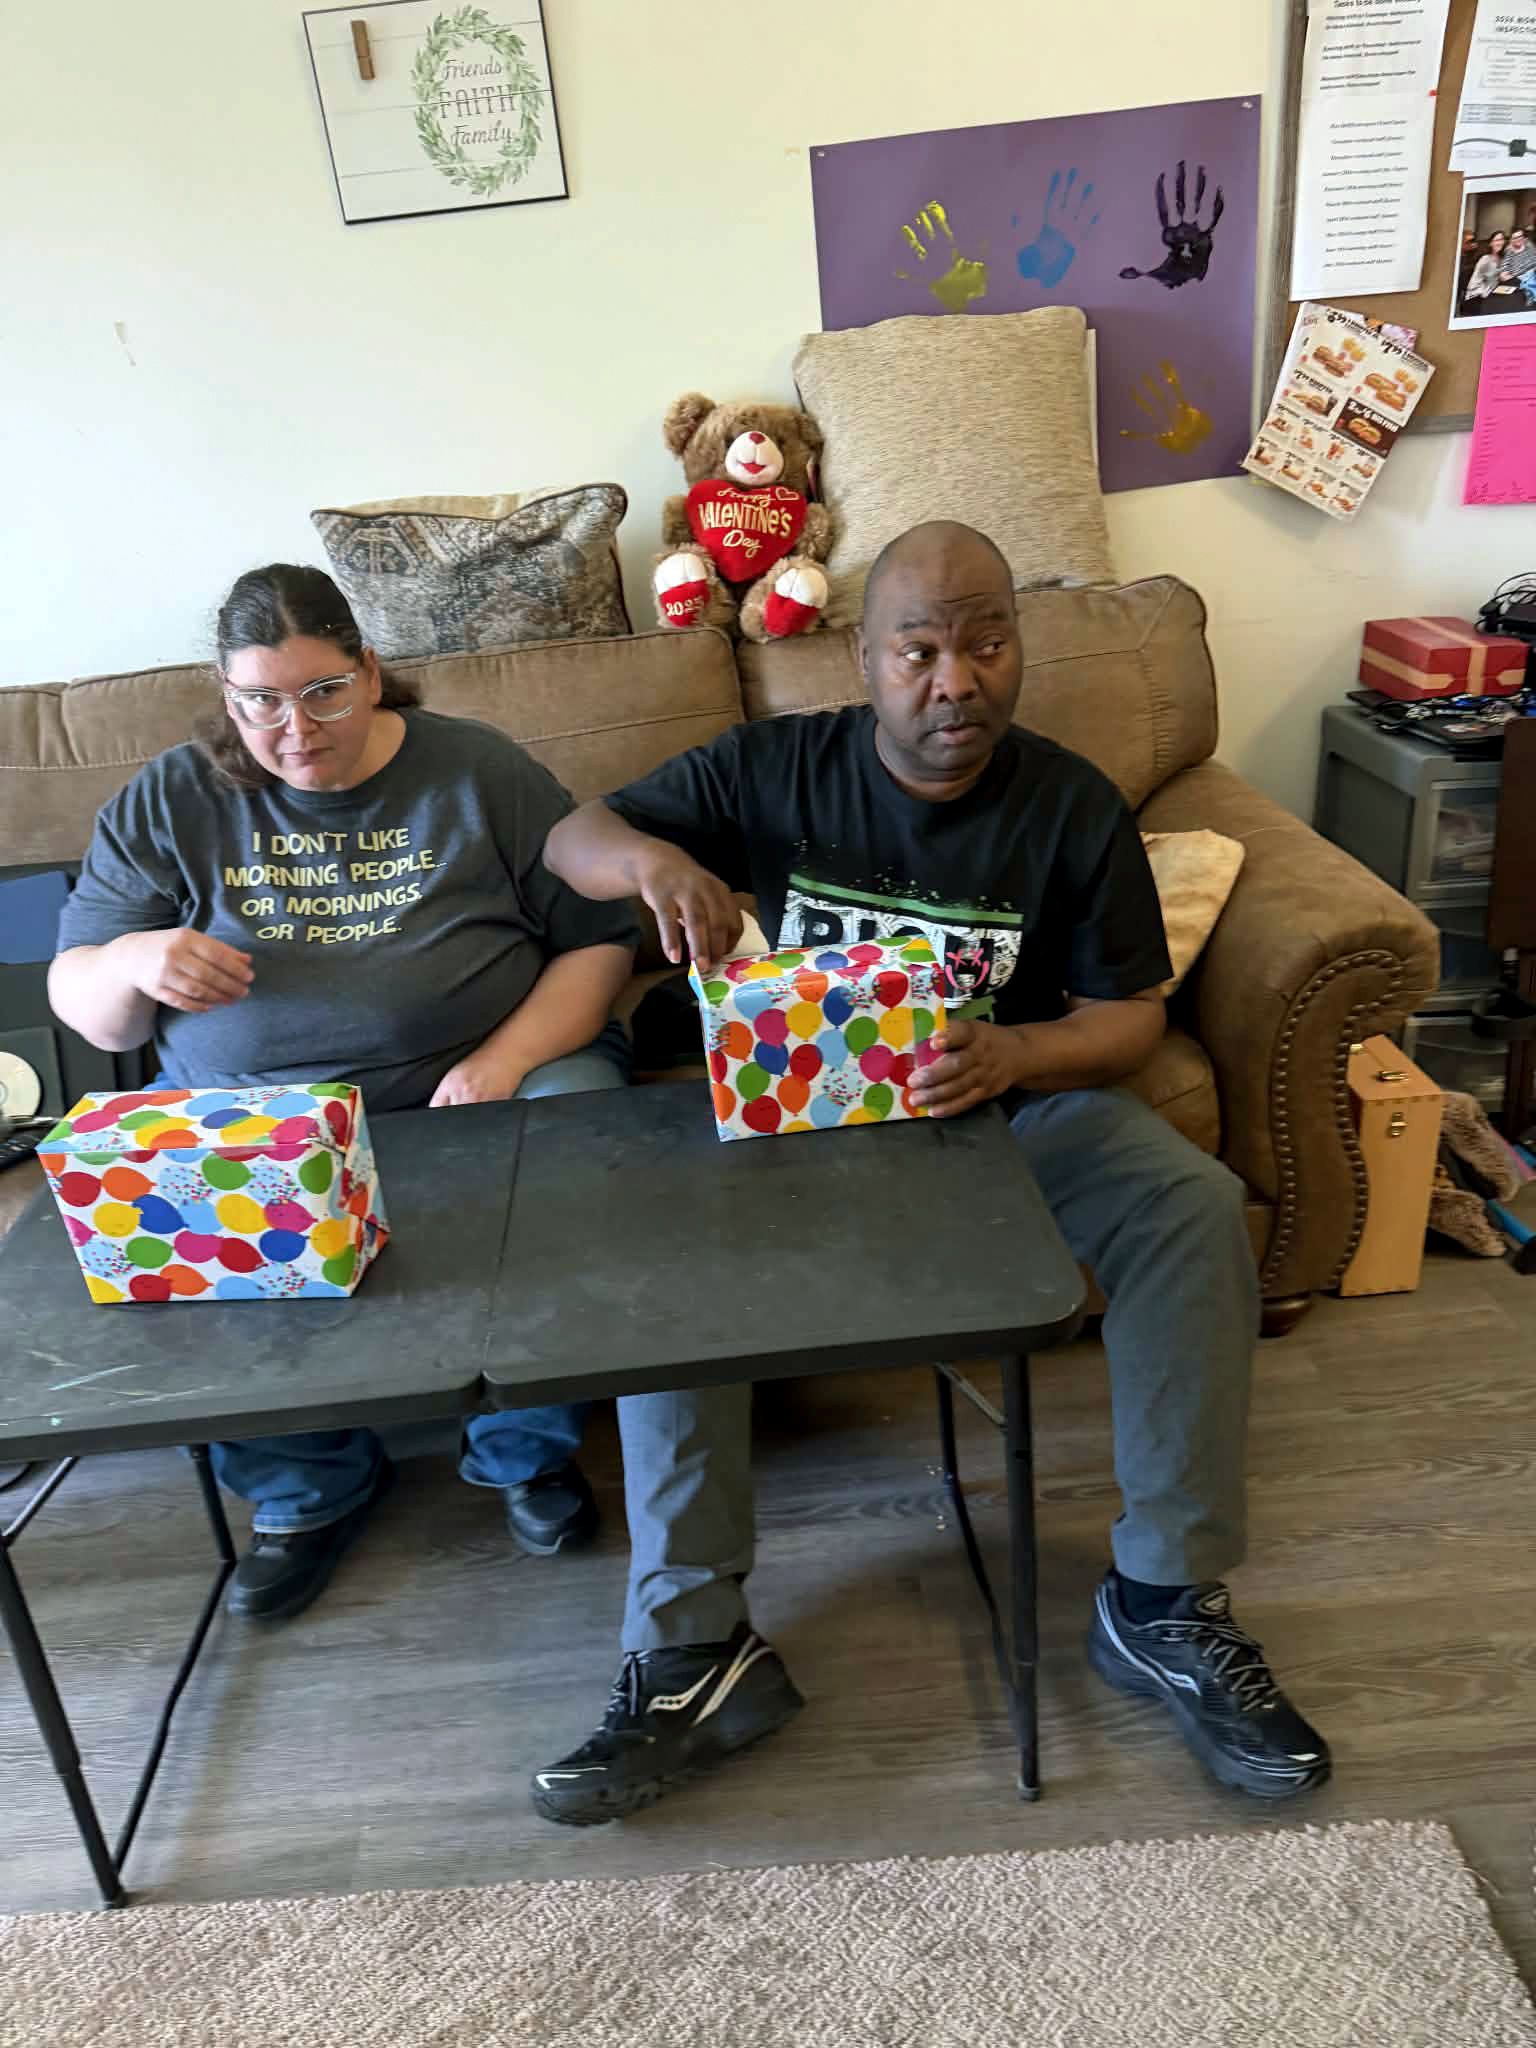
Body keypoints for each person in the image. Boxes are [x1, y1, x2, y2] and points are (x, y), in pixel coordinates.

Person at [541, 518, 1332, 1819]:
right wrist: (657, 862)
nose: (955, 681)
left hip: (1005, 1113)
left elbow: (1127, 1020)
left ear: (1019, 648)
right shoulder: (776, 765)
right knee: (665, 1241)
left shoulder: (1072, 803)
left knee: (1189, 1202)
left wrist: (1019, 1051)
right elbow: (574, 836)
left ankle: (1163, 1600)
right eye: (918, 650)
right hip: (804, 1122)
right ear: (864, 659)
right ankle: (691, 1653)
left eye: (986, 643)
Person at [47, 564, 787, 1738]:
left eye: (323, 692)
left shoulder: (474, 767)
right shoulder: (172, 796)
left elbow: (597, 946)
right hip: (258, 1103)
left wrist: (502, 1059)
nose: (295, 729)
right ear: (226, 696)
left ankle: (522, 1448)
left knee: (577, 1127)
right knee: (178, 1175)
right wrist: (136, 960)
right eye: (260, 701)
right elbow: (87, 1009)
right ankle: (305, 1486)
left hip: (478, 1070)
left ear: (371, 670)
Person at [1465, 231, 1509, 300]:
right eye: (1497, 240)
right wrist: (1485, 293)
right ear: (1491, 243)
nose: (1500, 242)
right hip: (1477, 296)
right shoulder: (1485, 260)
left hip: (1493, 293)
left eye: (1502, 240)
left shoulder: (1502, 259)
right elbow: (1473, 285)